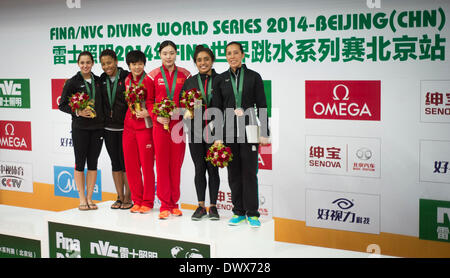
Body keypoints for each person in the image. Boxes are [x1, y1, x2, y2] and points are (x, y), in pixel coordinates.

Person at [211, 41, 270, 228]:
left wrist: (265, 132)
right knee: (233, 172)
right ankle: (238, 211)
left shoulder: (254, 77)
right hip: (228, 130)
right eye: (228, 53)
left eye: (236, 53)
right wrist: (217, 135)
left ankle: (252, 213)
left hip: (250, 128)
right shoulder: (220, 79)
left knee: (250, 172)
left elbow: (262, 105)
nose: (232, 56)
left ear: (243, 55)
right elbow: (216, 109)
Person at [147, 41, 190, 219]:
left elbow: (190, 100)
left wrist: (182, 111)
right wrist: (157, 116)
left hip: (178, 126)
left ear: (176, 53)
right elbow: (148, 101)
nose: (168, 56)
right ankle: (165, 204)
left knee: (176, 165)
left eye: (171, 53)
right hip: (159, 127)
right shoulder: (153, 76)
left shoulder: (185, 75)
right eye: (165, 53)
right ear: (160, 55)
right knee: (162, 164)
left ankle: (174, 203)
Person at [59, 51, 104, 211]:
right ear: (78, 64)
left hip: (97, 129)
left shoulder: (98, 81)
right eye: (82, 63)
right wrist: (78, 112)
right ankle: (81, 199)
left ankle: (90, 198)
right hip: (80, 129)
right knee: (80, 163)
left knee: (93, 163)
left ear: (92, 64)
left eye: (88, 62)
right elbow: (62, 104)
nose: (85, 65)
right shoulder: (72, 82)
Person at [180, 45, 220, 221]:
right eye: (199, 60)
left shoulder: (221, 80)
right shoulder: (189, 82)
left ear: (212, 60)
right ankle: (201, 206)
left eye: (206, 59)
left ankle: (213, 207)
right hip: (195, 132)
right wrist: (188, 109)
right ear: (195, 62)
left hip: (215, 132)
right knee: (199, 169)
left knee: (213, 169)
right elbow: (183, 106)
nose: (203, 63)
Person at [122, 50, 155, 214]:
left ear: (144, 64)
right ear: (129, 65)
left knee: (147, 167)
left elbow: (154, 102)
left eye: (140, 64)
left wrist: (148, 113)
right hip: (128, 128)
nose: (137, 67)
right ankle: (137, 200)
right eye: (134, 64)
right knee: (131, 166)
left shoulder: (149, 81)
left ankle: (148, 201)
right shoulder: (127, 80)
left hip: (145, 129)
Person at [99, 49, 132, 210]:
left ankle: (129, 196)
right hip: (108, 128)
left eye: (109, 62)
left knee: (128, 163)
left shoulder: (127, 76)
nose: (107, 66)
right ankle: (119, 196)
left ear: (116, 61)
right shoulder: (101, 79)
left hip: (126, 127)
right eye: (103, 64)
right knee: (115, 163)